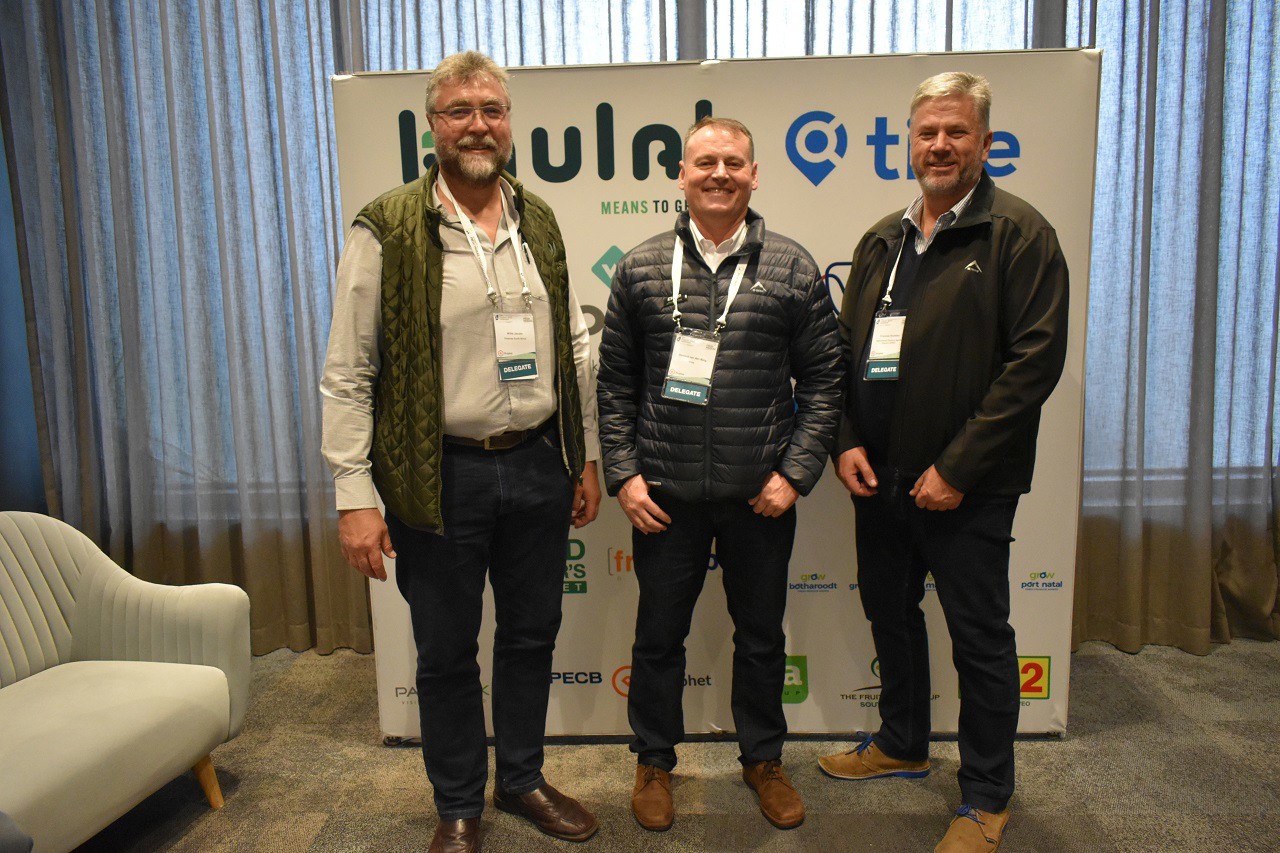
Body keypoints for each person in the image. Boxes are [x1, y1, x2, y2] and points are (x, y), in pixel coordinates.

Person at [320, 50, 601, 853]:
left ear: (509, 124)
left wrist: (583, 456)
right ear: (432, 127)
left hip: (538, 464)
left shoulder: (537, 219)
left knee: (531, 634)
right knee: (445, 651)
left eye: (492, 110)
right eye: (459, 112)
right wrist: (354, 492)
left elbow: (570, 350)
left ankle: (521, 778)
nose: (478, 126)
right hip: (438, 474)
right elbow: (349, 370)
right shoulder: (388, 227)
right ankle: (456, 804)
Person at [818, 72, 1069, 853]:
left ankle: (986, 793)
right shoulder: (882, 240)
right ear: (909, 141)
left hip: (970, 487)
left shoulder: (1019, 234)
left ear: (985, 143)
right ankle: (901, 739)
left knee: (979, 637)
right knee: (889, 613)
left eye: (956, 131)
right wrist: (845, 440)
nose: (939, 145)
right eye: (927, 131)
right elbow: (842, 355)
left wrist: (957, 467)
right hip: (879, 478)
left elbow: (1033, 364)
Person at [597, 116, 843, 833]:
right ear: (681, 175)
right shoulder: (642, 267)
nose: (719, 174)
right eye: (705, 162)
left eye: (734, 162)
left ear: (754, 175)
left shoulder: (791, 267)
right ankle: (653, 761)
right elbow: (614, 385)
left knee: (761, 638)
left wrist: (794, 474)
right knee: (657, 639)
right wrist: (624, 475)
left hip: (758, 497)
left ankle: (763, 759)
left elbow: (825, 382)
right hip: (664, 496)